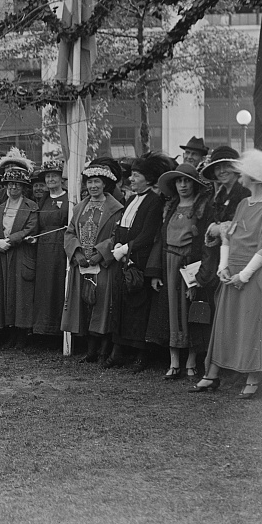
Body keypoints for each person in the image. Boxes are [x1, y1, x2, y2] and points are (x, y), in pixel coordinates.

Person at [189, 150, 262, 397]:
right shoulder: (244, 203)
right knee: (224, 324)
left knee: (252, 326)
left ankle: (253, 378)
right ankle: (212, 375)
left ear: (254, 176)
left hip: (256, 274)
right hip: (232, 271)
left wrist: (244, 275)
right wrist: (223, 267)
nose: (238, 175)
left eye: (243, 171)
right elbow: (228, 236)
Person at [104, 153, 174, 371]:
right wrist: (117, 245)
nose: (131, 180)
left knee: (139, 307)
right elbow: (122, 227)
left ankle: (141, 355)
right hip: (123, 259)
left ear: (148, 178)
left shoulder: (154, 201)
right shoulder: (132, 199)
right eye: (131, 175)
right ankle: (118, 352)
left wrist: (127, 249)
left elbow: (148, 234)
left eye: (136, 176)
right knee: (121, 305)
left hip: (139, 261)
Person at [146, 163, 212, 380]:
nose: (183, 185)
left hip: (189, 265)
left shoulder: (202, 207)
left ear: (194, 184)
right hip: (168, 264)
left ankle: (191, 362)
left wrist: (198, 276)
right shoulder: (170, 208)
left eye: (187, 181)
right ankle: (174, 362)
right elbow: (160, 239)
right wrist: (155, 272)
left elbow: (204, 243)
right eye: (179, 181)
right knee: (171, 311)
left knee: (190, 312)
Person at [61, 161, 124, 362]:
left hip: (103, 265)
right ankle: (90, 350)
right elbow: (70, 232)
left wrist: (101, 253)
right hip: (82, 265)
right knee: (85, 305)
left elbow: (117, 235)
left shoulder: (116, 209)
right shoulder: (80, 207)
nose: (93, 186)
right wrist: (77, 253)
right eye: (89, 182)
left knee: (103, 305)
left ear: (105, 184)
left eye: (97, 182)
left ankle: (103, 350)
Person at [0, 165, 39, 349]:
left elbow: (31, 228)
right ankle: (8, 333)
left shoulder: (31, 206)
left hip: (21, 254)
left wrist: (10, 240)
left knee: (20, 294)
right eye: (10, 184)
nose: (13, 188)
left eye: (17, 185)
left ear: (24, 187)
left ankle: (21, 334)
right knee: (4, 294)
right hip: (2, 256)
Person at [26, 161, 68, 340]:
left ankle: (59, 331)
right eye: (48, 177)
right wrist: (34, 236)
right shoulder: (43, 199)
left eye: (54, 176)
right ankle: (43, 330)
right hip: (43, 247)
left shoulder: (69, 197)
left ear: (61, 179)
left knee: (58, 285)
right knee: (43, 287)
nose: (51, 180)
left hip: (60, 247)